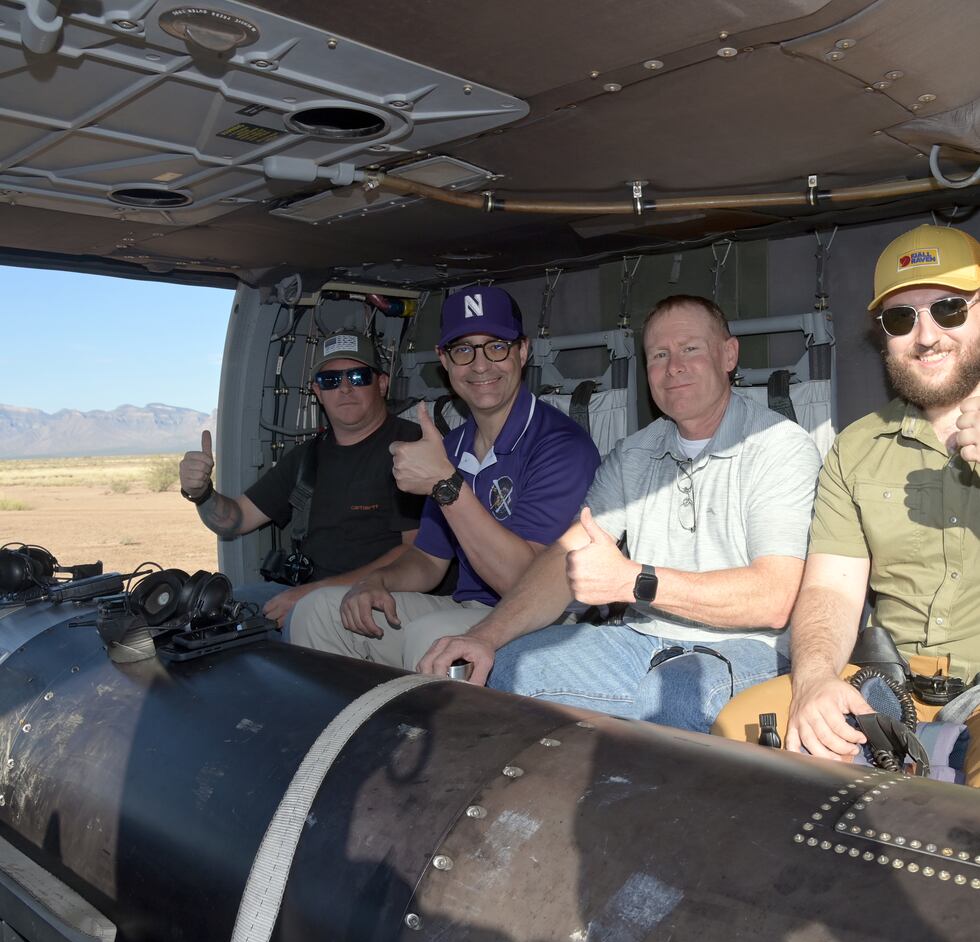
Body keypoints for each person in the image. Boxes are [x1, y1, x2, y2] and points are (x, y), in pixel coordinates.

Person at [420, 295, 822, 733]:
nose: (674, 368)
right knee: (510, 667)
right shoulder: (635, 453)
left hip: (751, 647)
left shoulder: (780, 447)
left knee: (673, 695)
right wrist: (484, 637)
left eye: (690, 349)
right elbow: (564, 560)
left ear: (728, 355)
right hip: (642, 639)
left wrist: (635, 580)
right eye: (659, 356)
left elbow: (774, 599)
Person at [289, 284, 601, 668]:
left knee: (432, 637)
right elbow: (428, 560)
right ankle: (344, 726)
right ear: (445, 360)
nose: (480, 364)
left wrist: (446, 486)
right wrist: (378, 581)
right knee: (319, 610)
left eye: (496, 346)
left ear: (522, 351)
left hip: (545, 622)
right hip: (466, 608)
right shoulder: (451, 447)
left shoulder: (561, 446)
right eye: (463, 349)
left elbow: (522, 582)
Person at [782, 224, 980, 773]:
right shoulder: (856, 448)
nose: (926, 335)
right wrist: (816, 678)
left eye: (949, 309)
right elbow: (831, 589)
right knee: (752, 749)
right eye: (901, 318)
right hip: (891, 691)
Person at [178, 331, 423, 630]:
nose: (344, 388)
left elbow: (417, 553)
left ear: (382, 383)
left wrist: (313, 594)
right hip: (304, 595)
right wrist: (201, 493)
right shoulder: (308, 457)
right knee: (205, 620)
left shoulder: (412, 447)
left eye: (358, 377)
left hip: (378, 597)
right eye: (330, 380)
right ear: (316, 392)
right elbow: (235, 519)